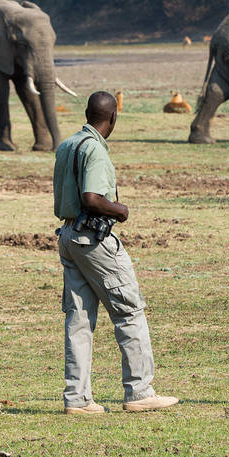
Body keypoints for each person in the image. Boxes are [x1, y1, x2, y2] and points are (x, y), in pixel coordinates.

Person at [53, 91, 179, 414]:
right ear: (113, 118)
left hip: (68, 235)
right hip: (94, 238)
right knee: (129, 309)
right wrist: (119, 209)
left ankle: (77, 399)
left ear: (86, 113)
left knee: (79, 318)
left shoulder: (68, 145)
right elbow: (92, 197)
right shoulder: (95, 150)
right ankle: (139, 391)